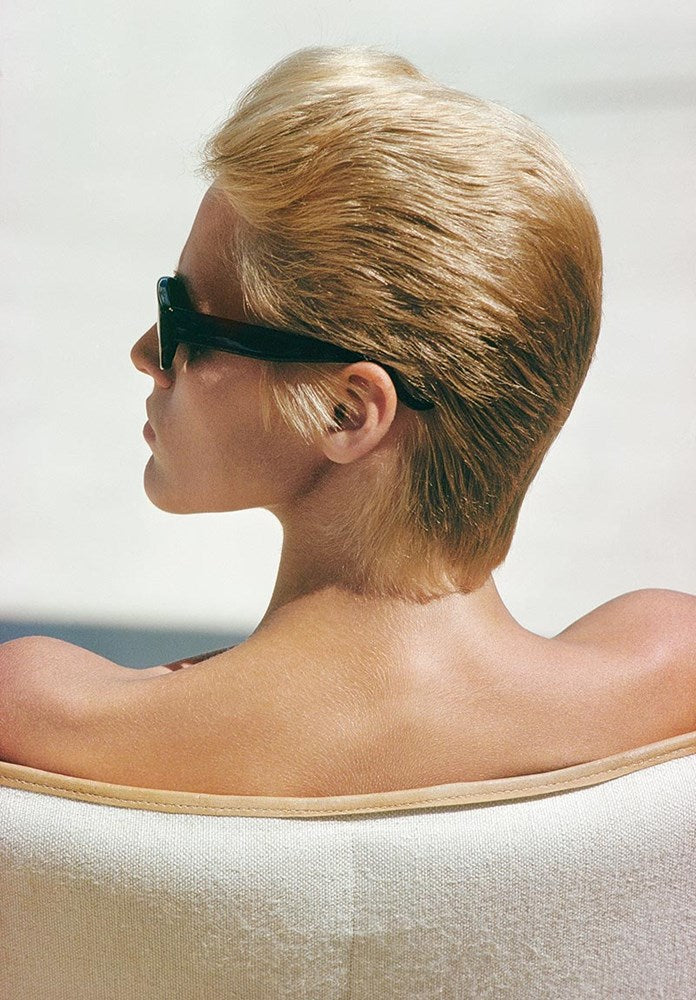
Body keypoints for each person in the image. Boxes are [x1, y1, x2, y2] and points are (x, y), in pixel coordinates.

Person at [1, 45, 693, 795]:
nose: (145, 353)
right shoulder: (667, 677)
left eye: (182, 321)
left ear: (347, 411)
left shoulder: (45, 719)